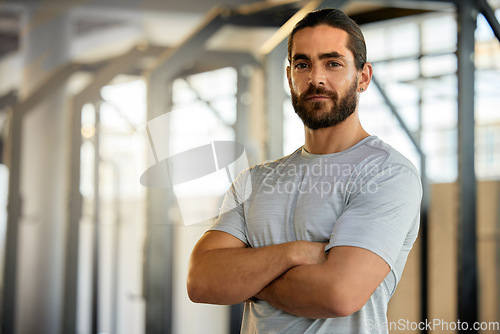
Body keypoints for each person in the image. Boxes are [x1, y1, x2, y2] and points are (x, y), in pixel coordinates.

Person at [187, 8, 422, 334]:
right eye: (302, 64)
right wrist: (295, 253)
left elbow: (339, 294)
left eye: (333, 63)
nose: (316, 78)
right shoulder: (255, 180)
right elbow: (201, 280)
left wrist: (248, 281)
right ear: (289, 77)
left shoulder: (386, 173)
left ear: (363, 77)